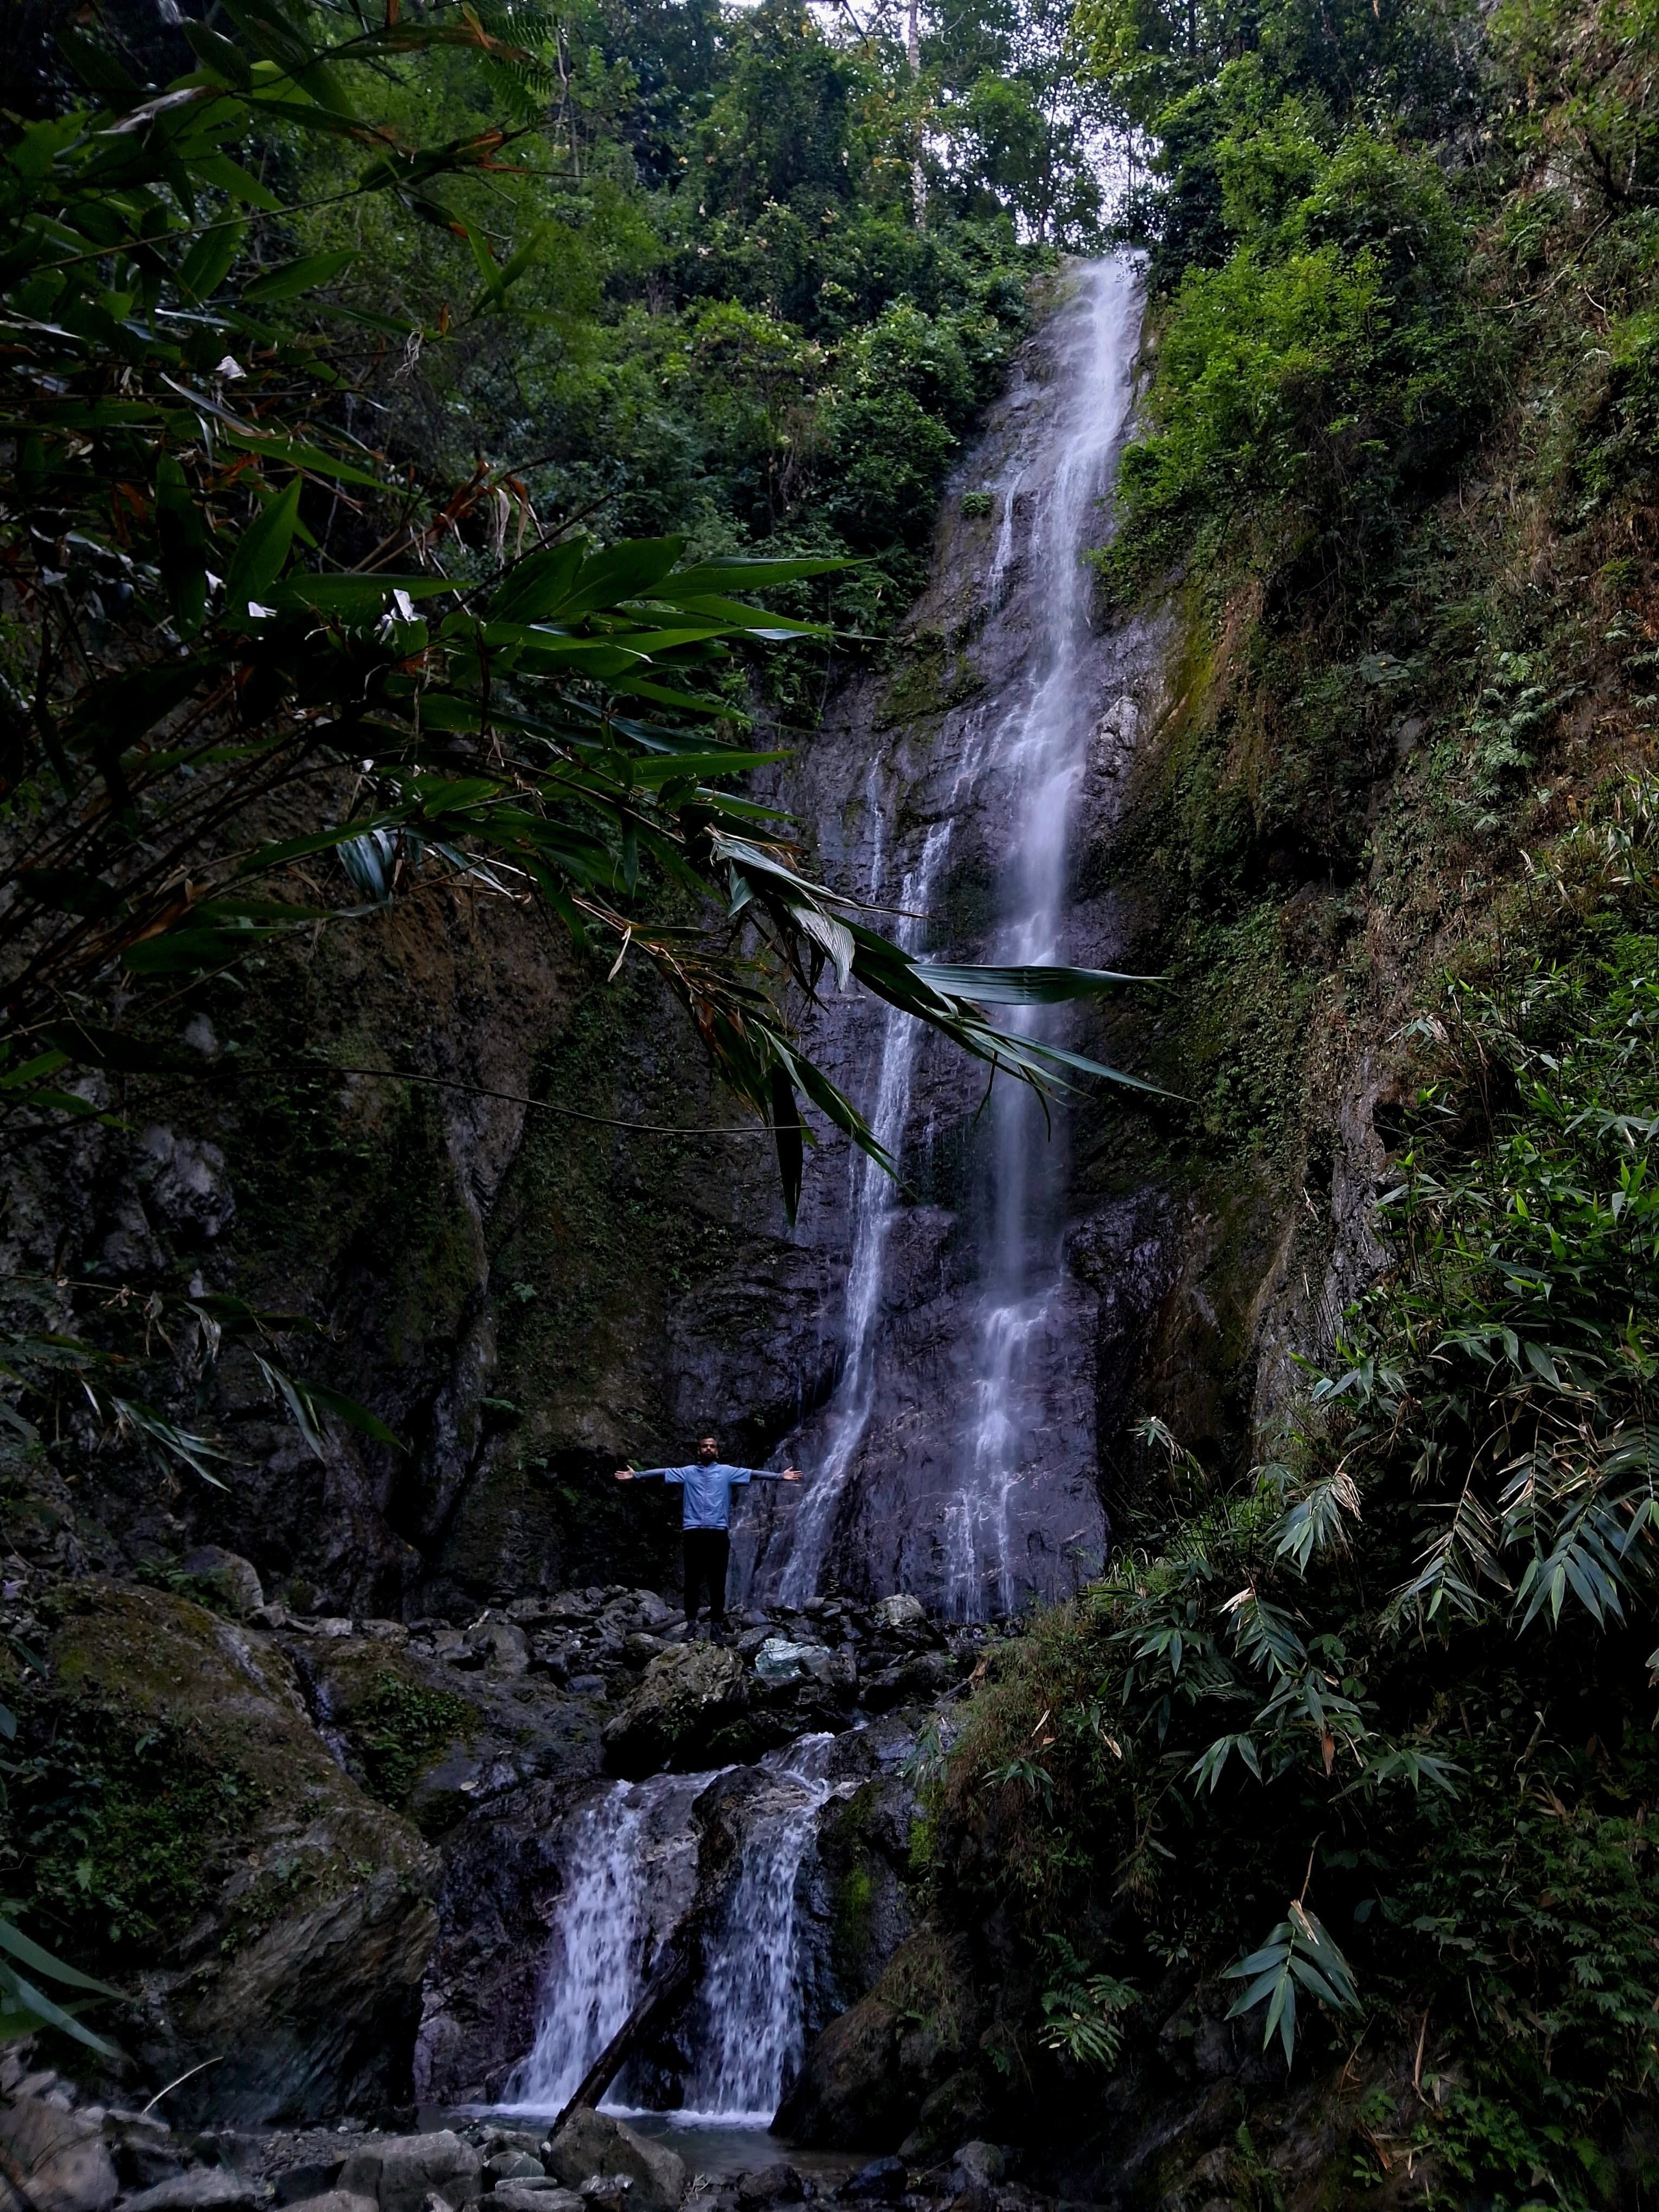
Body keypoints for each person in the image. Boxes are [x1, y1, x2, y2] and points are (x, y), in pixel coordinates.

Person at [614, 1436, 803, 1635]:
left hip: (718, 1532)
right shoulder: (687, 1473)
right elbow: (663, 1473)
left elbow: (754, 1474)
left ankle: (716, 1625)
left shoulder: (727, 1472)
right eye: (704, 1446)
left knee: (718, 1580)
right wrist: (637, 1476)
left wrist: (780, 1476)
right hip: (693, 1532)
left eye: (712, 1447)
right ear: (699, 1450)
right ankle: (691, 1623)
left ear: (717, 1452)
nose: (708, 1449)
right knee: (692, 1580)